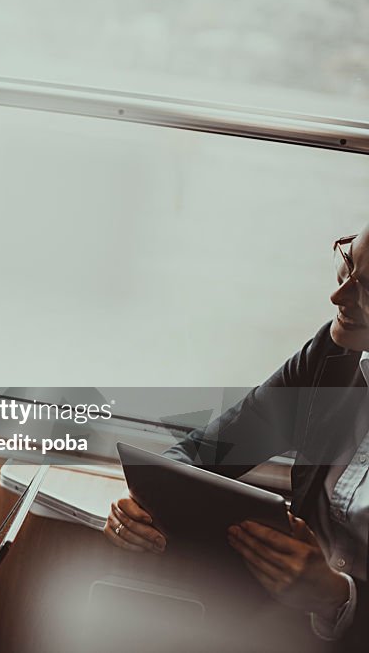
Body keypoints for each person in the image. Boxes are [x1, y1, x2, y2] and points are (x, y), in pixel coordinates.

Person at [104, 226, 369, 650]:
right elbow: (207, 450)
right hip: (285, 630)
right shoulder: (333, 359)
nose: (338, 298)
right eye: (348, 263)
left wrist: (340, 598)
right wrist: (142, 504)